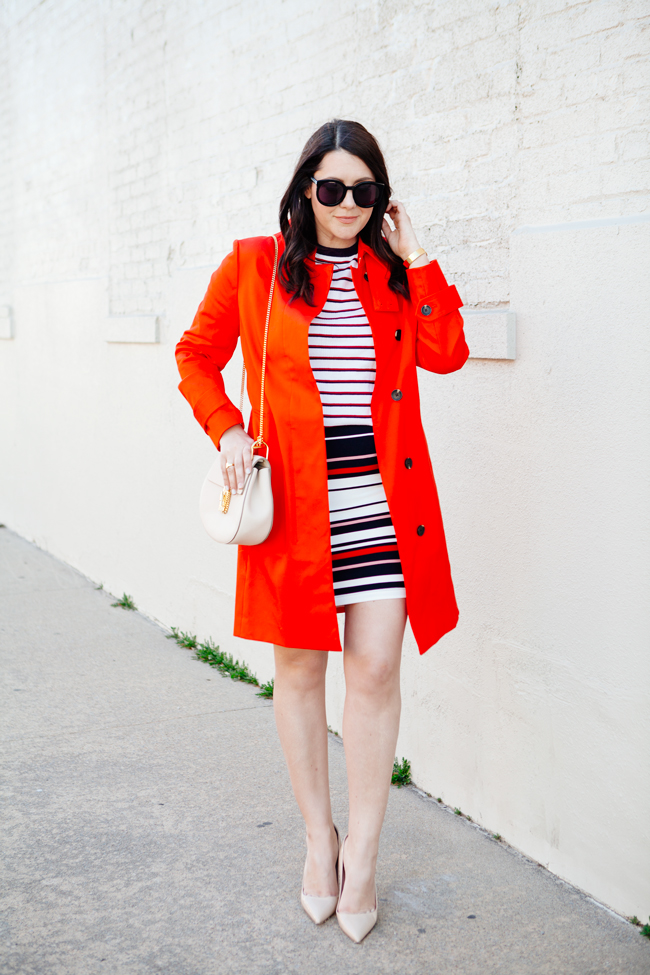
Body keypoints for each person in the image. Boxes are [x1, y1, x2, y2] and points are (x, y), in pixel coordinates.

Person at [175, 119, 469, 943]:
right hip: (295, 509)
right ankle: (319, 841)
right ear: (307, 187)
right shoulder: (255, 267)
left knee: (375, 669)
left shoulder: (390, 273)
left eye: (363, 190)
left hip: (381, 502)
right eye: (332, 187)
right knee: (300, 675)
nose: (346, 203)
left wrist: (422, 259)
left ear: (380, 199)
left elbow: (447, 353)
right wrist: (228, 429)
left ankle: (365, 856)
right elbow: (195, 356)